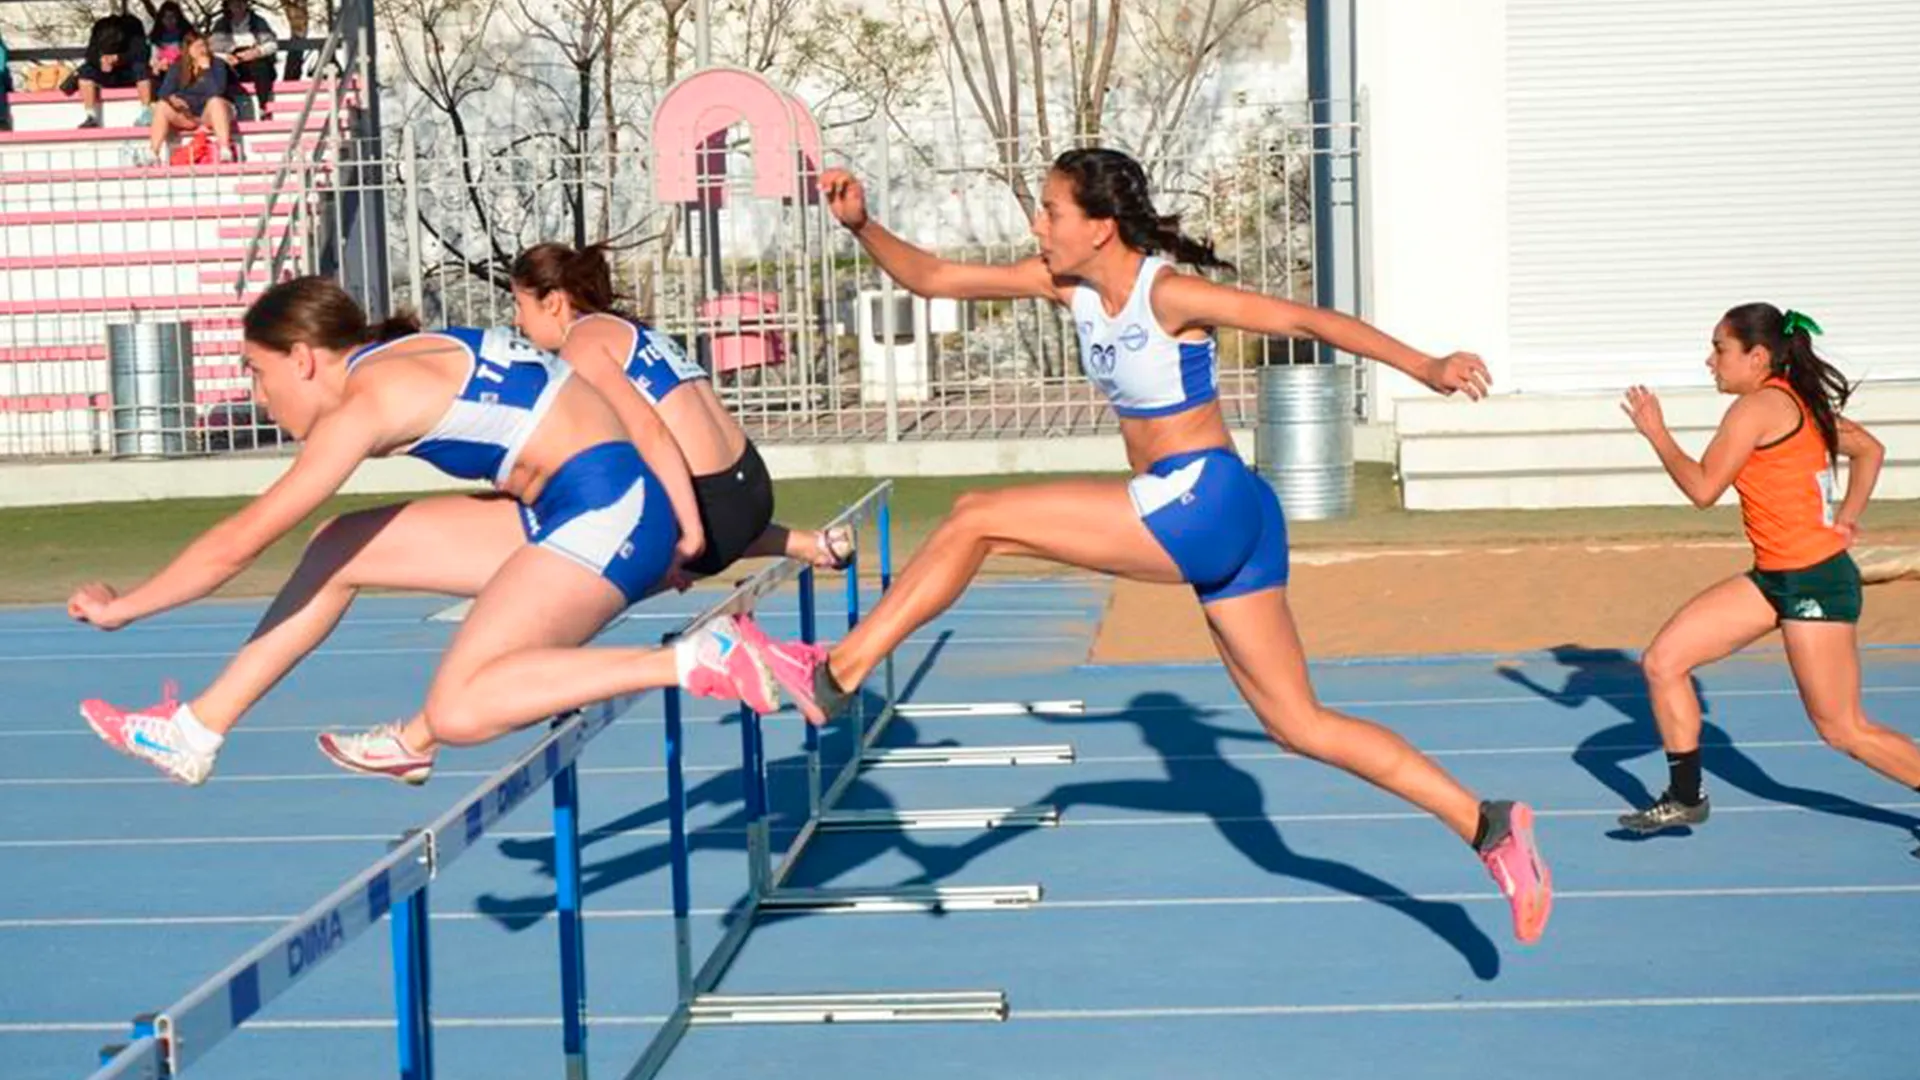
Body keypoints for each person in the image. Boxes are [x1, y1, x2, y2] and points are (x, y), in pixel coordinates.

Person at [743, 147, 1553, 944]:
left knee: (976, 516)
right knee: (1300, 726)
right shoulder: (1064, 286)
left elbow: (1307, 320)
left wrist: (1426, 364)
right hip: (1233, 517)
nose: (1038, 225)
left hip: (1203, 499)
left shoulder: (1169, 294)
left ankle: (836, 673)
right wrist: (862, 225)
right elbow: (933, 278)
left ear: (1099, 226)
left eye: (1051, 211)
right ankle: (1487, 825)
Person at [71, 276, 782, 787]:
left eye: (257, 372)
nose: (259, 396)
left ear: (303, 358)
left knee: (460, 708)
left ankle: (695, 659)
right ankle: (195, 731)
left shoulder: (368, 402)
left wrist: (124, 608)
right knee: (338, 546)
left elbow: (243, 540)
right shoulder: (406, 355)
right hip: (580, 502)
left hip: (608, 504)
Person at [1617, 304, 1920, 857]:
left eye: (1719, 349)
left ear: (1757, 357)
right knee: (1663, 662)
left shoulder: (1757, 408)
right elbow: (1870, 449)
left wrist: (1657, 433)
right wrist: (1848, 518)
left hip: (1814, 583)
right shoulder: (1795, 401)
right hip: (1775, 577)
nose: (1710, 361)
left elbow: (1703, 489)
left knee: (1843, 729)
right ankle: (1686, 796)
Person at [508, 242, 854, 584]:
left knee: (585, 574)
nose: (517, 321)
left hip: (714, 511)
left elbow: (651, 433)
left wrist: (690, 534)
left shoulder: (580, 346)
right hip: (752, 484)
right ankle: (807, 544)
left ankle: (713, 609)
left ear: (552, 302)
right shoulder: (628, 328)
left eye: (520, 305)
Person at [146, 30, 234, 164]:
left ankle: (225, 149)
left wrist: (206, 70)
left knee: (216, 102)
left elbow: (217, 91)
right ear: (189, 50)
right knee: (162, 106)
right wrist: (172, 100)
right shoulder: (178, 66)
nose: (202, 50)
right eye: (198, 47)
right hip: (188, 113)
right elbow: (164, 92)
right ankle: (153, 152)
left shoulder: (217, 64)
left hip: (212, 112)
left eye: (204, 46)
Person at [64, 10, 153, 128]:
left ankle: (146, 112)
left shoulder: (133, 26)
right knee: (86, 71)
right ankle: (91, 116)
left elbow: (141, 53)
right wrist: (101, 61)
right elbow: (90, 53)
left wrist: (118, 58)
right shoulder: (100, 26)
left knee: (141, 68)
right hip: (106, 73)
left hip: (128, 72)